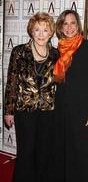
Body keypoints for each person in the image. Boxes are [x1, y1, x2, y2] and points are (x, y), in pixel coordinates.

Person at [4, 12, 59, 182]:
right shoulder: (19, 51)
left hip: (48, 111)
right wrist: (8, 110)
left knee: (44, 153)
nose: (41, 34)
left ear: (51, 33)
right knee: (26, 152)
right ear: (31, 31)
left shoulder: (56, 54)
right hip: (24, 110)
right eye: (37, 30)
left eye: (45, 30)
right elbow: (12, 82)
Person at [53, 9, 88, 182]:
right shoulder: (57, 51)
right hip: (60, 112)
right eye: (65, 23)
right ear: (60, 27)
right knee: (63, 154)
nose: (69, 27)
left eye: (72, 22)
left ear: (78, 25)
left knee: (82, 154)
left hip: (83, 113)